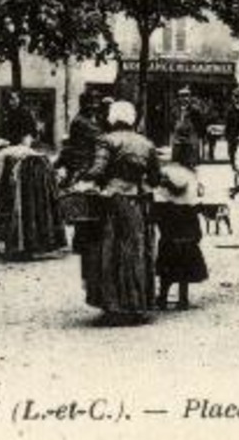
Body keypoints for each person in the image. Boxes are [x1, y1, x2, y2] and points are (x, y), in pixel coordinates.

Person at [76, 100, 159, 325]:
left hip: (113, 201)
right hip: (138, 202)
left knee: (110, 251)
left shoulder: (106, 140)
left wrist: (80, 177)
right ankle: (137, 304)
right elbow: (155, 178)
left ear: (113, 118)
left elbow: (98, 169)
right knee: (137, 251)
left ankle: (114, 307)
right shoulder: (146, 143)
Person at [151, 163, 209, 310]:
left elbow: (156, 215)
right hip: (186, 235)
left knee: (167, 267)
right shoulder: (190, 175)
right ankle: (183, 299)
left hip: (169, 236)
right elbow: (196, 209)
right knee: (185, 267)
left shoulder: (165, 174)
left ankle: (163, 298)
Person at [170, 90, 202, 170]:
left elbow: (199, 125)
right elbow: (172, 123)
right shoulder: (175, 110)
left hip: (190, 140)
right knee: (179, 165)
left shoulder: (195, 110)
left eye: (187, 96)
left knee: (190, 164)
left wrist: (197, 138)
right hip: (178, 139)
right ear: (179, 98)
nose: (185, 99)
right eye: (182, 96)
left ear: (190, 98)